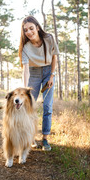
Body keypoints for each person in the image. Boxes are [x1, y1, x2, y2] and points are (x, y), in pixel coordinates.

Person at [18, 15, 59, 151]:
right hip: (33, 73)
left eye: (31, 28)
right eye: (25, 30)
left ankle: (45, 139)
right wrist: (25, 89)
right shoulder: (25, 47)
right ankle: (31, 138)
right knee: (29, 106)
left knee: (47, 106)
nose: (29, 32)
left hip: (48, 72)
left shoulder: (49, 38)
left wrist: (52, 75)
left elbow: (54, 58)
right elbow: (25, 70)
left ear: (37, 27)